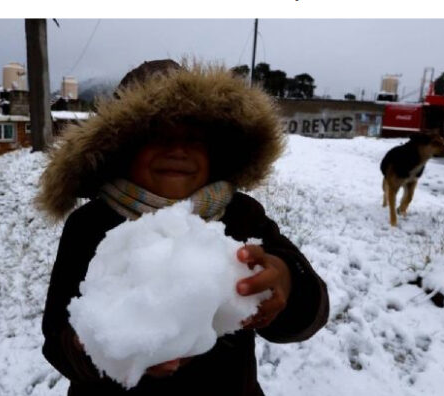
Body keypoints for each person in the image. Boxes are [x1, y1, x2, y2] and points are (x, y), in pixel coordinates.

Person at [37, 59, 329, 396]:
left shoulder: (240, 216)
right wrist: (91, 346)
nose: (177, 149)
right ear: (122, 147)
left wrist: (285, 282)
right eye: (157, 135)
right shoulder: (90, 224)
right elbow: (56, 338)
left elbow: (311, 312)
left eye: (194, 138)